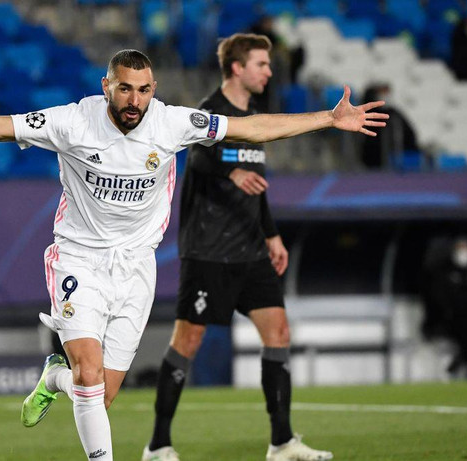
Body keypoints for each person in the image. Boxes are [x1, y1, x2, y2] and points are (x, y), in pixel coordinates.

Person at [0, 49, 387, 461]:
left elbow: (252, 127)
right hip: (79, 258)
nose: (135, 100)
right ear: (106, 86)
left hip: (137, 267)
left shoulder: (173, 123)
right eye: (126, 89)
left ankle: (52, 377)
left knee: (98, 395)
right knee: (89, 375)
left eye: (145, 91)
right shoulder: (71, 122)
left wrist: (326, 118)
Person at [142, 34, 332, 461]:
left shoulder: (255, 118)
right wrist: (230, 175)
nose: (268, 71)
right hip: (208, 248)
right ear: (236, 68)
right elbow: (197, 156)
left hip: (250, 250)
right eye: (261, 64)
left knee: (278, 332)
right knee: (187, 341)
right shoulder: (209, 112)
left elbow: (258, 187)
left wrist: (271, 233)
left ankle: (282, 442)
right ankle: (158, 444)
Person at [420, 235, 467, 379]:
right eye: (460, 249)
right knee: (463, 325)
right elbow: (440, 300)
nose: (463, 253)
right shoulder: (444, 273)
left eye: (466, 249)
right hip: (448, 319)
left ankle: (461, 360)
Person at [360, 83, 418, 170]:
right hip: (373, 158)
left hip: (395, 157)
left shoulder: (393, 113)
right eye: (383, 92)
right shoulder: (365, 113)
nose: (386, 95)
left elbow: (410, 135)